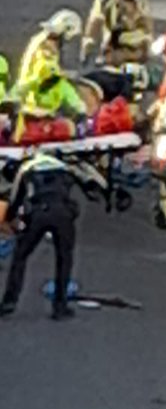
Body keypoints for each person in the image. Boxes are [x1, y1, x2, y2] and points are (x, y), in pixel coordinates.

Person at [0, 150, 106, 320]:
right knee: (64, 259)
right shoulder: (64, 168)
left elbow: (15, 199)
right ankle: (60, 307)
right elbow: (91, 184)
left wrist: (11, 221)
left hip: (37, 213)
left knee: (20, 257)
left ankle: (9, 302)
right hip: (63, 213)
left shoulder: (27, 167)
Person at [82, 0, 153, 68]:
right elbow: (94, 23)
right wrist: (87, 45)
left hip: (135, 52)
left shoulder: (139, 1)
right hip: (113, 51)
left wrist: (147, 46)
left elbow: (147, 24)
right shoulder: (104, 1)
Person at [15, 56, 89, 142]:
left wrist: (79, 121)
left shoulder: (63, 86)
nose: (51, 82)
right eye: (48, 79)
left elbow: (79, 107)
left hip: (55, 121)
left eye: (54, 78)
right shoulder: (31, 84)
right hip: (30, 121)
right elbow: (14, 98)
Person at [17, 9, 83, 88]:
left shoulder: (41, 39)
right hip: (35, 89)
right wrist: (68, 75)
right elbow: (49, 72)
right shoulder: (47, 45)